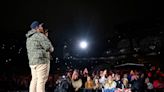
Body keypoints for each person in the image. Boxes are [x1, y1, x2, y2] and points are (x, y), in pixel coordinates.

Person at [26, 21, 54, 92]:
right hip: (42, 61)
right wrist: (45, 37)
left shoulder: (29, 38)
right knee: (41, 81)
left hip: (33, 62)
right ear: (37, 27)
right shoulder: (40, 35)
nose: (42, 28)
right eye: (41, 26)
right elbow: (49, 48)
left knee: (34, 80)